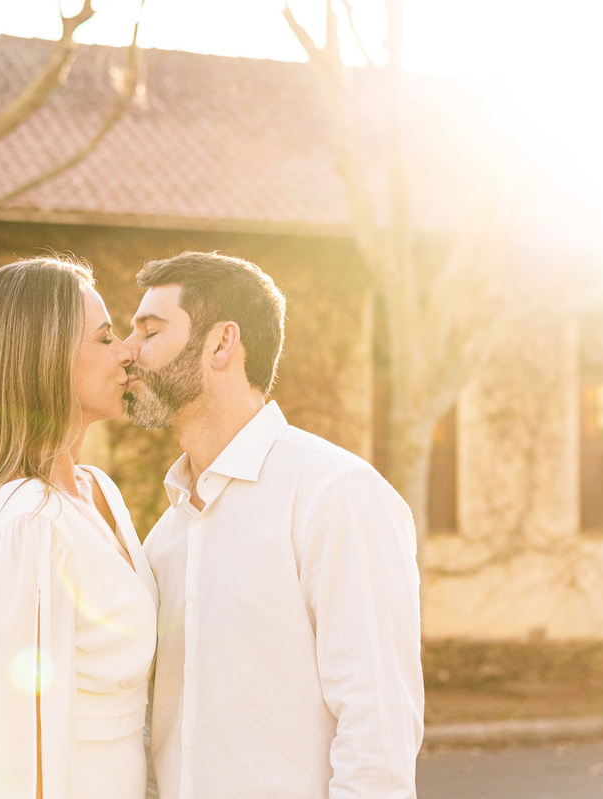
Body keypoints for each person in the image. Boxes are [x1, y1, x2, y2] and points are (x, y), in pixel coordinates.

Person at [122, 251, 424, 799]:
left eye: (150, 331)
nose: (128, 350)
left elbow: (378, 722)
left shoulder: (333, 493)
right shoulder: (165, 537)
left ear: (221, 343)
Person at [0, 257, 158, 799]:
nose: (126, 351)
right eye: (104, 337)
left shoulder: (97, 491)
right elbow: (22, 754)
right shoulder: (29, 524)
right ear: (47, 359)